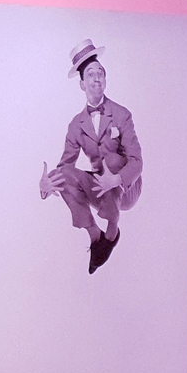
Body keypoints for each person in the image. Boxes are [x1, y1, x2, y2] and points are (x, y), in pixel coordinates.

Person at [38, 41, 142, 273]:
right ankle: (96, 236)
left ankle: (112, 232)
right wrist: (46, 187)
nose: (97, 79)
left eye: (101, 73)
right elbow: (65, 169)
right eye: (91, 75)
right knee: (62, 173)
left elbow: (137, 162)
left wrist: (116, 180)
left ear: (105, 79)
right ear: (82, 84)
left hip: (127, 187)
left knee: (111, 160)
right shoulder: (76, 124)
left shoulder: (122, 114)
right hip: (102, 188)